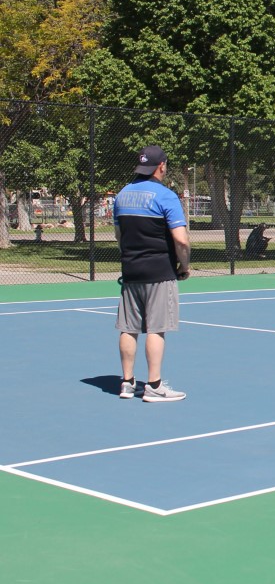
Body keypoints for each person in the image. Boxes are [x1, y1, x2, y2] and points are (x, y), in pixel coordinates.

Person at [113, 145, 190, 401]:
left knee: (128, 327)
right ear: (162, 166)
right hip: (159, 272)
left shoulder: (122, 195)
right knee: (156, 329)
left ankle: (127, 383)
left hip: (131, 272)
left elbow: (119, 236)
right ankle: (154, 386)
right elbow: (181, 240)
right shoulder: (166, 196)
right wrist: (185, 266)